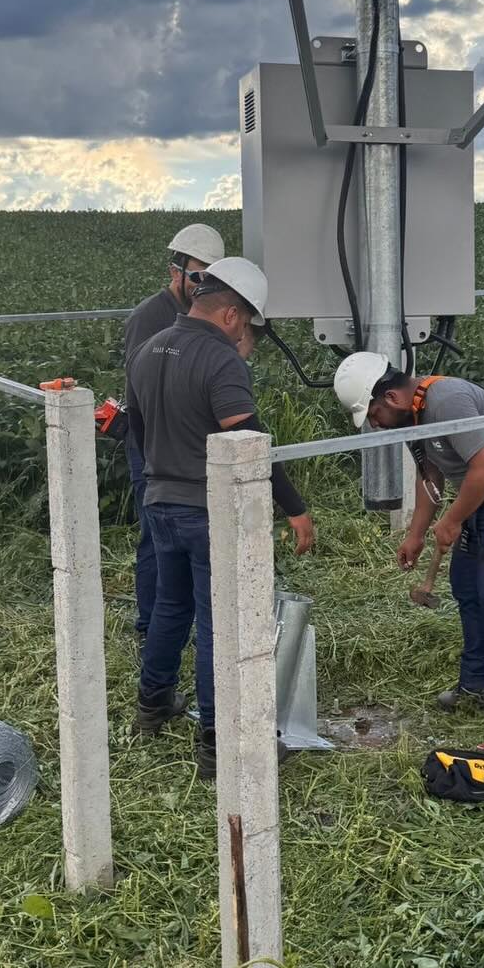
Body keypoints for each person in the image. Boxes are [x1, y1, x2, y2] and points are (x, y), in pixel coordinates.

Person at [129, 257, 315, 775]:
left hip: (159, 502)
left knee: (171, 606)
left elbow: (136, 430)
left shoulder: (148, 349)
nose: (243, 337)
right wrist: (295, 509)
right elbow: (249, 443)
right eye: (246, 324)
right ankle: (220, 740)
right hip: (206, 509)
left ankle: (152, 705)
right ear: (232, 314)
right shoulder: (220, 360)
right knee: (220, 623)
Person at [333, 353, 484, 716]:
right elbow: (431, 476)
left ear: (391, 397)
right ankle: (475, 685)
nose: (375, 424)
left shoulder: (447, 402)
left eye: (373, 414)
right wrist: (416, 534)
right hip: (483, 495)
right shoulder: (413, 415)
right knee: (466, 586)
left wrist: (452, 521)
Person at [121, 223, 226, 656]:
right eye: (198, 275)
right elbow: (139, 391)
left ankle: (178, 623)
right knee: (155, 536)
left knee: (187, 539)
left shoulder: (208, 316)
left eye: (211, 277)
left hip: (191, 446)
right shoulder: (150, 317)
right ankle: (151, 625)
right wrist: (153, 452)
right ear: (175, 272)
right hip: (154, 445)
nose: (204, 285)